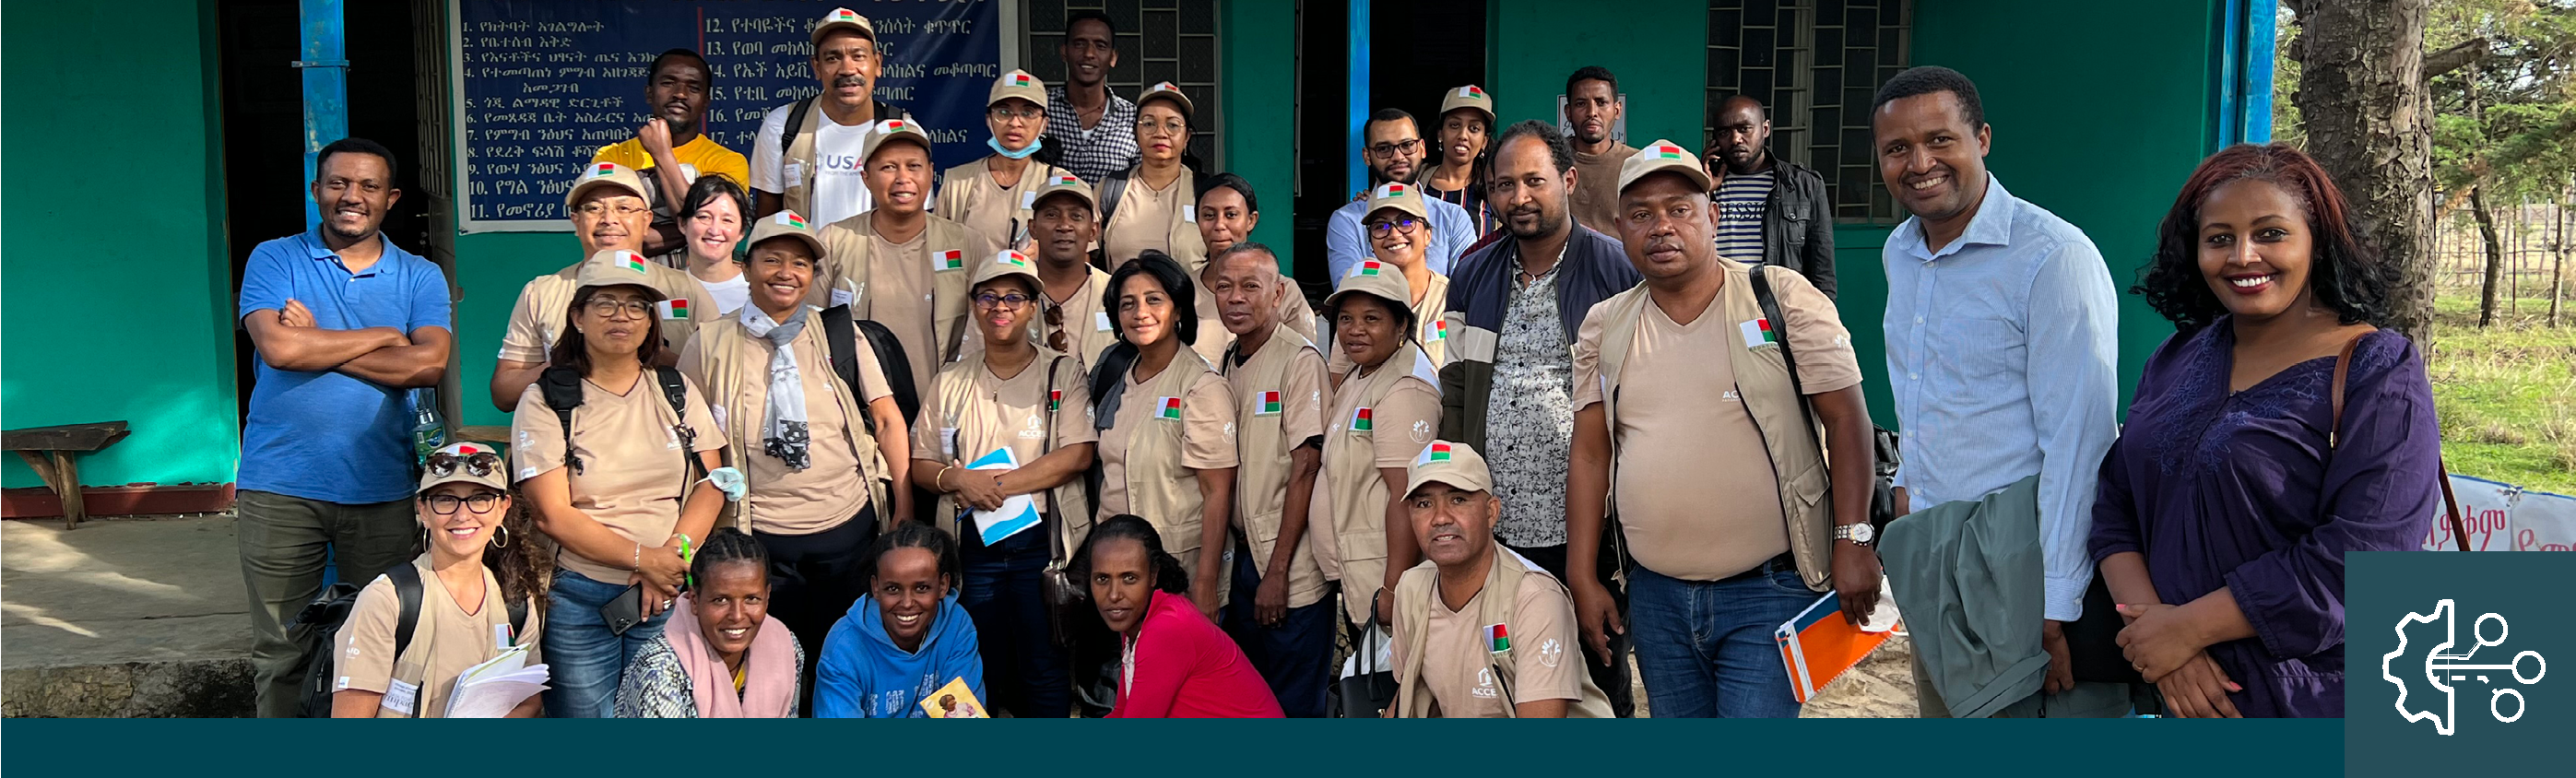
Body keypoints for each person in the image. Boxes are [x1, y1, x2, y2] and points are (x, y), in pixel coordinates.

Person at [2094, 144, 2440, 718]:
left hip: (2316, 700)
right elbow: (2114, 507)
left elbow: (2368, 555)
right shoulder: (2176, 358)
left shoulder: (2377, 370)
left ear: (2317, 242)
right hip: (2177, 694)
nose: (2243, 256)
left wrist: (2187, 631)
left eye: (2271, 233)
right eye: (2219, 238)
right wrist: (2161, 641)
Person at [1564, 140, 1880, 718]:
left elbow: (1848, 420)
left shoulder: (1781, 296)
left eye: (1679, 209)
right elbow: (1589, 454)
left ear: (1712, 215)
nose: (1661, 226)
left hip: (1770, 589)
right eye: (1641, 215)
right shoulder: (1605, 325)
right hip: (1656, 595)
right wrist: (1582, 576)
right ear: (1618, 229)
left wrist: (1852, 538)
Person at [1871, 65, 2124, 717]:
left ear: (1982, 138)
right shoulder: (1901, 251)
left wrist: (2057, 605)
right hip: (1935, 554)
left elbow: (2081, 443)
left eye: (1939, 140)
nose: (1919, 163)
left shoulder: (2051, 258)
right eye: (1897, 148)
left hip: (2022, 560)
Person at [237, 137, 451, 717]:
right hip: (280, 486)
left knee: (380, 647)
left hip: (384, 489)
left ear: (391, 198)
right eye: (337, 184)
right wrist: (386, 337)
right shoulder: (275, 258)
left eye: (368, 186)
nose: (351, 197)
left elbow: (428, 364)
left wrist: (319, 344)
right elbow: (279, 349)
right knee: (283, 651)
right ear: (316, 192)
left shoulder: (419, 275)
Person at [1436, 120, 1641, 715]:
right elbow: (1454, 392)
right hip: (1494, 521)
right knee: (1502, 674)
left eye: (1533, 181)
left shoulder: (1615, 271)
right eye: (1504, 184)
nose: (1518, 197)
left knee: (1597, 673)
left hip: (1586, 524)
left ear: (1569, 180)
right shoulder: (1474, 274)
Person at [678, 210, 911, 677]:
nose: (787, 273)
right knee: (771, 666)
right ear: (746, 267)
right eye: (773, 260)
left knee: (845, 660)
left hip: (847, 532)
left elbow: (886, 419)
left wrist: (902, 510)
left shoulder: (840, 333)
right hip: (759, 539)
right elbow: (693, 443)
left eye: (801, 264)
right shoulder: (710, 342)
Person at [512, 249, 731, 717]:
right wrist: (644, 560)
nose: (622, 317)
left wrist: (669, 560)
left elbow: (711, 483)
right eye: (606, 304)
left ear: (651, 321)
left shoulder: (674, 388)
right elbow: (552, 514)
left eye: (636, 306)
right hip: (580, 597)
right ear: (578, 316)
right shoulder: (548, 399)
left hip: (669, 590)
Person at [911, 249, 1097, 718]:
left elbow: (1077, 453)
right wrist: (956, 479)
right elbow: (919, 462)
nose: (1001, 307)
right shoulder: (950, 379)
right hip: (970, 545)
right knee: (974, 662)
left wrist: (994, 486)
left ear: (1034, 305)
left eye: (1014, 296)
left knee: (1045, 663)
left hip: (1042, 542)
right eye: (988, 296)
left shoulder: (1062, 372)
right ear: (974, 305)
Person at [1387, 441, 1611, 718]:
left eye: (1458, 499)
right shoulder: (1412, 588)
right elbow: (1409, 691)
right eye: (1424, 503)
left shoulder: (1534, 598)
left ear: (1491, 512)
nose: (1440, 517)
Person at [1205, 243, 1335, 717]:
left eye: (1250, 287)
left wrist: (1277, 573)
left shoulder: (1298, 360)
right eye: (1224, 286)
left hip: (1288, 567)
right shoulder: (1228, 359)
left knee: (1293, 702)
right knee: (1250, 699)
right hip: (1242, 559)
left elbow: (1306, 467)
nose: (1235, 298)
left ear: (1278, 294)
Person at [329, 442, 548, 718]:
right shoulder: (388, 599)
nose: (463, 514)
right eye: (445, 499)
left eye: (480, 498)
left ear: (502, 509)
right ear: (424, 510)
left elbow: (528, 700)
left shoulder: (515, 599)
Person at [490, 162, 715, 411]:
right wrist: (567, 361)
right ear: (575, 220)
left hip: (665, 438)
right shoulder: (541, 292)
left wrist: (652, 355)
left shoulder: (685, 288)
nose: (609, 219)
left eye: (624, 208)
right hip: (572, 438)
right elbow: (504, 394)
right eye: (594, 208)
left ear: (646, 220)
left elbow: (718, 382)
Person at [1088, 253, 1238, 619]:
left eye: (1154, 299)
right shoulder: (1119, 378)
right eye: (1128, 303)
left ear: (1179, 310)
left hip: (1178, 571)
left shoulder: (1201, 387)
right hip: (1121, 577)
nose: (1141, 312)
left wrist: (1205, 581)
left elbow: (1217, 491)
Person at [1315, 259, 1444, 632]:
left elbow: (1407, 496)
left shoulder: (1404, 388)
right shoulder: (1363, 371)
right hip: (1360, 572)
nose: (1355, 331)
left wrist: (1392, 587)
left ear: (1401, 324)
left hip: (1382, 580)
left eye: (1371, 319)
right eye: (1345, 319)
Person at [815, 119, 975, 405]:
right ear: (866, 178)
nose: (903, 177)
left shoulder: (966, 244)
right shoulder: (834, 241)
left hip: (945, 409)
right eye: (888, 167)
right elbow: (812, 330)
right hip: (859, 412)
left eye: (913, 166)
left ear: (930, 173)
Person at [1076, 514, 1284, 718]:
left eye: (1129, 578)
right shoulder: (1138, 619)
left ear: (1153, 575)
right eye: (1102, 579)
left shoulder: (1165, 629)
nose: (1114, 595)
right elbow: (1122, 711)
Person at [613, 528, 803, 718]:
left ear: (767, 597)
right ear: (694, 600)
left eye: (751, 599)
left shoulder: (785, 647)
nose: (737, 615)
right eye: (721, 600)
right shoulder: (660, 671)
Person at [750, 7, 911, 225]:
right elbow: (767, 219)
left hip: (879, 258)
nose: (847, 69)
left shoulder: (903, 130)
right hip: (807, 258)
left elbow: (917, 217)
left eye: (858, 56)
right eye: (833, 58)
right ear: (817, 67)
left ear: (877, 64)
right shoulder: (783, 125)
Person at [815, 521, 987, 717]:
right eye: (893, 589)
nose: (906, 603)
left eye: (921, 588)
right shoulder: (845, 644)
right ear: (876, 588)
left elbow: (963, 720)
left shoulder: (955, 625)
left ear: (943, 586)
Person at [591, 48, 748, 260]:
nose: (680, 94)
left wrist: (662, 154)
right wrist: (692, 230)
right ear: (649, 93)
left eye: (693, 88)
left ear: (706, 102)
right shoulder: (612, 157)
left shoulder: (728, 161)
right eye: (668, 83)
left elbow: (713, 229)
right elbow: (602, 233)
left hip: (698, 284)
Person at [1705, 95, 1837, 299]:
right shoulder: (1701, 185)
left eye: (1744, 128)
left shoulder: (1803, 185)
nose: (1735, 139)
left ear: (1765, 129)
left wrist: (1822, 320)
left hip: (1777, 308)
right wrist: (1704, 188)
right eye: (1724, 132)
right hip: (1716, 306)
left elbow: (1822, 268)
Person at [1326, 110, 1477, 282]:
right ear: (1367, 157)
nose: (1398, 157)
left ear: (1422, 148)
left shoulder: (1453, 217)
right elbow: (1349, 292)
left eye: (1407, 145)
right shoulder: (1347, 220)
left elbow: (1467, 289)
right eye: (1384, 149)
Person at [939, 69, 1069, 261]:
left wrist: (1048, 255)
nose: (1015, 122)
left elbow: (1082, 259)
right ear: (989, 119)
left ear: (1044, 124)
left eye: (1028, 113)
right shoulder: (958, 182)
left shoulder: (1060, 182)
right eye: (1004, 112)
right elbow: (939, 252)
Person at [1329, 183, 1452, 372]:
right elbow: (1338, 380)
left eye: (1406, 222)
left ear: (1428, 235)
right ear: (1370, 242)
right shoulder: (1357, 301)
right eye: (1381, 226)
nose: (1394, 234)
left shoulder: (1452, 299)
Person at [1193, 174, 1317, 360]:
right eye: (1209, 215)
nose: (1219, 225)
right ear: (1197, 221)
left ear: (1251, 220)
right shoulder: (1181, 289)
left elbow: (1302, 362)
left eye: (1231, 215)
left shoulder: (1283, 290)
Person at [1098, 82, 1209, 271]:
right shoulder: (1110, 189)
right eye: (1149, 124)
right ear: (1135, 134)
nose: (1160, 133)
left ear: (1187, 137)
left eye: (1172, 125)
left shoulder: (1205, 191)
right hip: (1123, 300)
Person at [1023, 174, 1123, 366]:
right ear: (1033, 228)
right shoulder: (1010, 294)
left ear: (1094, 231)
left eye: (1076, 216)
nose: (1064, 226)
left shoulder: (1119, 293)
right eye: (1052, 215)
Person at [1044, 10, 1140, 185]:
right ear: (1064, 52)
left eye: (1100, 45)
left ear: (1113, 57)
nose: (1089, 53)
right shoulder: (1040, 109)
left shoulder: (1133, 118)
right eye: (1079, 44)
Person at [1563, 66, 1637, 235]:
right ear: (1568, 112)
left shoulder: (1636, 164)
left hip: (1619, 261)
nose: (1592, 113)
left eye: (1601, 103)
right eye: (1581, 104)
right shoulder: (1550, 160)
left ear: (1617, 110)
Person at [1422, 85, 1498, 236]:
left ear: (1484, 141)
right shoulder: (1416, 181)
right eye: (1454, 125)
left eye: (1474, 128)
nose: (1463, 135)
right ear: (1440, 134)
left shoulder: (1493, 189)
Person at [675, 176, 751, 316]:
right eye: (704, 217)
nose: (715, 230)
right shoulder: (666, 290)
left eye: (727, 220)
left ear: (741, 231)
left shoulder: (758, 291)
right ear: (683, 224)